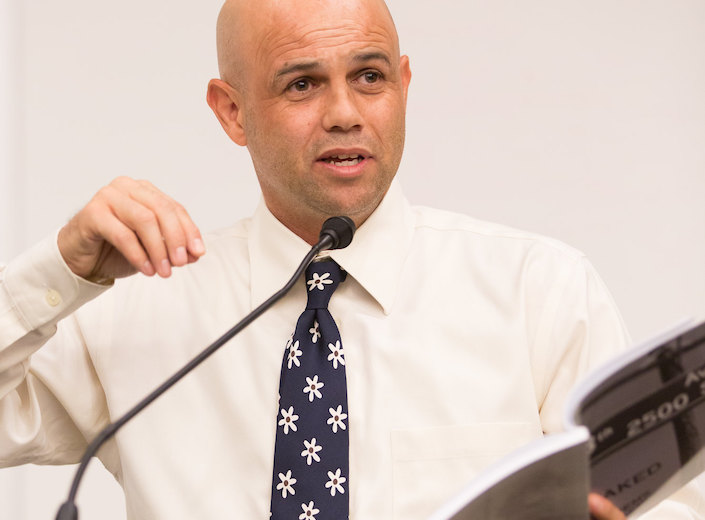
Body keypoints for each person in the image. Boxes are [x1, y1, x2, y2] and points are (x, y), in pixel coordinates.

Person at [0, 0, 700, 518]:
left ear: (402, 84)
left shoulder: (536, 291)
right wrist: (60, 269)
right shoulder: (138, 309)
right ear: (231, 112)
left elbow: (662, 501)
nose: (344, 112)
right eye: (301, 83)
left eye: (368, 77)